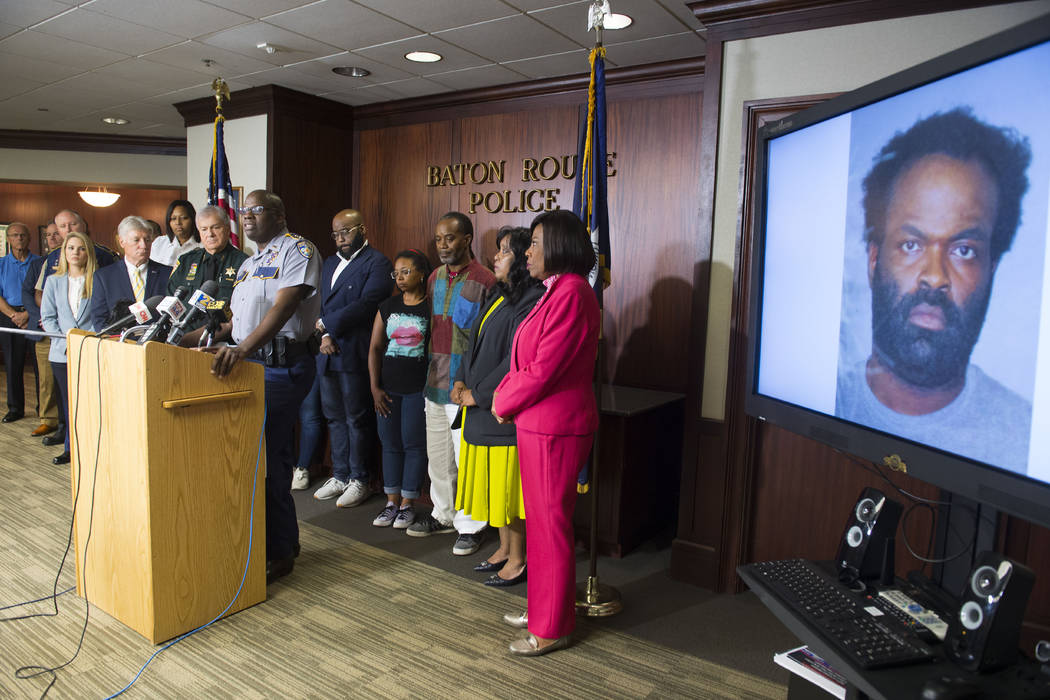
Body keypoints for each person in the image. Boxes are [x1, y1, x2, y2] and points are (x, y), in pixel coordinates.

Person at [835, 108, 1034, 473]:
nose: (934, 276)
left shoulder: (1026, 443)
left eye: (964, 250)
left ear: (992, 270)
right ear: (873, 259)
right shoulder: (830, 399)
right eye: (911, 244)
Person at [184, 190, 321, 585]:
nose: (246, 217)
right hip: (252, 365)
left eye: (255, 211)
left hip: (282, 367)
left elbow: (285, 306)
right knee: (267, 458)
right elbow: (233, 323)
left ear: (279, 214)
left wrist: (242, 348)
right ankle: (283, 542)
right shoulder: (249, 264)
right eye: (244, 212)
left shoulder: (298, 250)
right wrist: (183, 339)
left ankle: (277, 550)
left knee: (263, 457)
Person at [492, 209, 599, 656]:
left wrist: (502, 400)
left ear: (557, 245)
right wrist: (509, 396)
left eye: (534, 242)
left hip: (556, 426)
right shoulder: (554, 290)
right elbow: (527, 361)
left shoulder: (572, 293)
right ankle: (542, 608)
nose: (527, 251)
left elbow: (544, 369)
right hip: (539, 424)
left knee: (551, 525)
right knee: (540, 523)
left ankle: (552, 625)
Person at [453, 227, 542, 587]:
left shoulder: (533, 299)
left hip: (502, 413)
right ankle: (504, 548)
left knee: (509, 494)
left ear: (521, 258)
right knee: (494, 492)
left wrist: (480, 394)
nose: (496, 258)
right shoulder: (499, 294)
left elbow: (515, 361)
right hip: (477, 409)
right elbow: (470, 340)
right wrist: (460, 380)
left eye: (504, 252)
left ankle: (519, 559)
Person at [407, 212, 495, 558]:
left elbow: (487, 340)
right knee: (439, 458)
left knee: (467, 459)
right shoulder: (433, 278)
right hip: (434, 381)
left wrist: (472, 386)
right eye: (439, 239)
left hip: (463, 386)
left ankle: (471, 526)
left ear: (467, 239)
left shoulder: (486, 281)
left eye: (450, 238)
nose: (442, 245)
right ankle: (443, 514)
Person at [311, 209, 393, 509]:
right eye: (336, 233)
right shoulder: (330, 262)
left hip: (356, 351)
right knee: (334, 417)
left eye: (346, 231)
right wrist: (323, 335)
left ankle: (360, 478)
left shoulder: (377, 263)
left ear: (362, 229)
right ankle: (341, 473)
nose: (341, 238)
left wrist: (328, 326)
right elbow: (319, 303)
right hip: (327, 351)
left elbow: (368, 304)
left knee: (357, 418)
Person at [367, 249, 432, 530]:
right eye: (397, 273)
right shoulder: (388, 306)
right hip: (388, 389)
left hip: (418, 389)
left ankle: (408, 504)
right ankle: (391, 502)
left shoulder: (430, 308)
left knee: (414, 445)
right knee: (390, 444)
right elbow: (375, 348)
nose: (401, 277)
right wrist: (374, 388)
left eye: (407, 271)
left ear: (421, 274)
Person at [41, 231, 99, 466]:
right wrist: (69, 341)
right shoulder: (53, 281)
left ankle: (91, 446)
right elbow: (48, 318)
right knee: (68, 403)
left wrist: (84, 340)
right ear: (64, 252)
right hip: (61, 353)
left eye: (81, 248)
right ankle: (70, 449)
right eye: (71, 248)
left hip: (89, 349)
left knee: (90, 401)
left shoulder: (98, 279)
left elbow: (99, 316)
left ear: (88, 253)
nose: (75, 253)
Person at [166, 205, 249, 326]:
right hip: (185, 338)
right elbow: (172, 299)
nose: (210, 234)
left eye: (215, 227)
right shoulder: (185, 261)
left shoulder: (243, 263)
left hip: (225, 338)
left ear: (227, 228)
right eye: (204, 229)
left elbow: (244, 309)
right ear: (199, 231)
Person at [90, 216, 171, 330]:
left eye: (147, 240)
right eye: (137, 240)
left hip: (157, 343)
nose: (144, 245)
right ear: (122, 242)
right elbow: (99, 320)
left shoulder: (167, 273)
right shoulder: (104, 277)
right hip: (119, 343)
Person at [23, 221, 62, 438]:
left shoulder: (79, 258)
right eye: (48, 235)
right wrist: (42, 317)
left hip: (71, 330)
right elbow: (29, 293)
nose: (52, 238)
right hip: (44, 327)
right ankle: (49, 419)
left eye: (56, 233)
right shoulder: (40, 263)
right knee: (46, 379)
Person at [0, 222, 41, 423]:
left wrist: (28, 315)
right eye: (14, 235)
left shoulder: (40, 262)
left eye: (23, 235)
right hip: (9, 317)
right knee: (12, 364)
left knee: (40, 365)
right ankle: (15, 409)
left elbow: (43, 293)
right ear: (8, 239)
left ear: (29, 238)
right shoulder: (1, 264)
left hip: (35, 316)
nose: (19, 239)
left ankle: (44, 409)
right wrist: (14, 316)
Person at [150, 199, 200, 267]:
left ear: (193, 219)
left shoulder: (202, 245)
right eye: (173, 219)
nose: (178, 223)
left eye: (184, 218)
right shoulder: (159, 243)